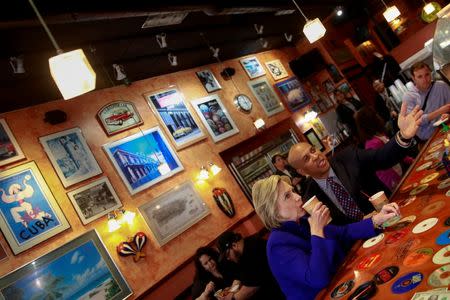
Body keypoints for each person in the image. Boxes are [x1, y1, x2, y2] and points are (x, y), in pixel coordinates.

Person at [251, 175, 400, 300]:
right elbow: (317, 279)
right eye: (287, 196)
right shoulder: (277, 245)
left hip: (343, 284)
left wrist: (377, 219)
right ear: (273, 211)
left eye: (293, 191)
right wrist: (316, 232)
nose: (298, 197)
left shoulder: (303, 221)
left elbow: (343, 232)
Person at [287, 102, 422, 224]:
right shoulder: (311, 198)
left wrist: (403, 136)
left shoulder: (348, 157)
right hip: (359, 243)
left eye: (313, 150)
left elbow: (382, 157)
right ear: (302, 171)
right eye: (307, 158)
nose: (315, 156)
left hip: (390, 217)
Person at [355, 107, 413, 192]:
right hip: (393, 180)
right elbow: (382, 170)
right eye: (375, 114)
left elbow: (394, 152)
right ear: (371, 120)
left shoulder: (379, 135)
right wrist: (395, 182)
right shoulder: (371, 143)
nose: (378, 116)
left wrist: (410, 160)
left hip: (399, 172)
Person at [217, 231, 285, 300]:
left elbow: (251, 289)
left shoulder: (252, 250)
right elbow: (241, 279)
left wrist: (232, 298)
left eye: (227, 254)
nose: (228, 258)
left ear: (234, 245)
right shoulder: (244, 251)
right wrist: (231, 291)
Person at [403, 61, 450, 141]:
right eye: (420, 77)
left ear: (430, 73)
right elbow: (414, 122)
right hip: (428, 138)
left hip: (446, 127)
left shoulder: (441, 86)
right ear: (413, 79)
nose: (425, 79)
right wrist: (439, 112)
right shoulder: (409, 97)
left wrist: (448, 114)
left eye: (427, 75)